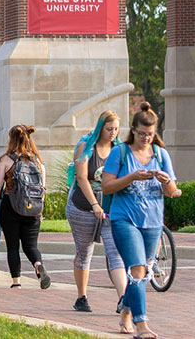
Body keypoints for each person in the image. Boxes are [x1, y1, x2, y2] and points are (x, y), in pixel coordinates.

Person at [101, 102, 178, 339]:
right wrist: (132, 176)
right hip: (125, 219)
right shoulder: (120, 153)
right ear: (133, 130)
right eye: (142, 134)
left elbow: (173, 190)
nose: (146, 139)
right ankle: (141, 324)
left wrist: (166, 182)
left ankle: (125, 309)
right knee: (137, 268)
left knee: (143, 273)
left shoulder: (161, 154)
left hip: (153, 221)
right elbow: (106, 186)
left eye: (151, 134)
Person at [66, 111, 133, 333]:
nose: (112, 132)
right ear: (100, 127)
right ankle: (81, 296)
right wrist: (94, 204)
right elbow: (82, 178)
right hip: (83, 207)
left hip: (110, 209)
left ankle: (123, 299)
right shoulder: (86, 146)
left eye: (116, 129)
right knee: (84, 252)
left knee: (116, 253)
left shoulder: (119, 150)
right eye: (109, 128)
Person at [0, 125, 51, 289]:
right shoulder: (38, 162)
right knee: (31, 246)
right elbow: (43, 189)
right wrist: (40, 210)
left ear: (11, 139)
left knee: (13, 246)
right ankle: (38, 265)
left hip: (11, 206)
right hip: (33, 208)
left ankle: (16, 282)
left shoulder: (5, 160)